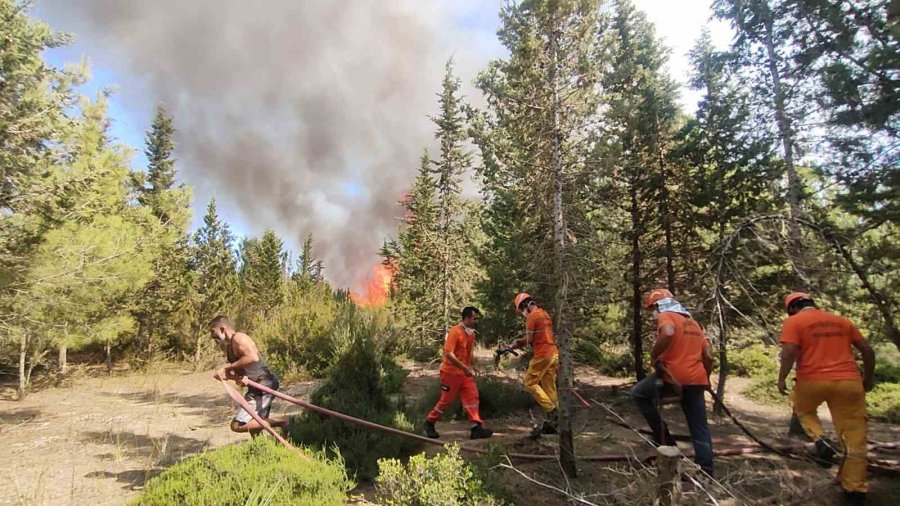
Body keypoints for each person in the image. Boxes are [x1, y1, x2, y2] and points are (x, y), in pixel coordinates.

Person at [778, 292, 875, 505]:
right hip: (849, 382)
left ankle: (821, 440)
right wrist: (868, 379)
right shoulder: (842, 321)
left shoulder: (793, 322)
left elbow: (789, 350)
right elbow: (867, 350)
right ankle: (855, 490)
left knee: (803, 409)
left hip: (811, 381)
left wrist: (782, 378)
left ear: (792, 309)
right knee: (855, 437)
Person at [631, 288, 714, 476]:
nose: (653, 313)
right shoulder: (694, 323)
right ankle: (706, 471)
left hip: (673, 377)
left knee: (639, 393)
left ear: (658, 305)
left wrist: (654, 354)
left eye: (653, 309)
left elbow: (668, 333)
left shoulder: (667, 316)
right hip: (696, 379)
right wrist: (706, 379)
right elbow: (708, 355)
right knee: (699, 426)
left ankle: (666, 441)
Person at [210, 315, 288, 434]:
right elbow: (241, 377)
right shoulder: (229, 348)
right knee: (255, 427)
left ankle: (283, 421)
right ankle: (281, 439)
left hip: (263, 384)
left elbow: (252, 357)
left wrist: (227, 368)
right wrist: (229, 377)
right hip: (255, 386)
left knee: (237, 425)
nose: (212, 336)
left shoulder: (239, 338)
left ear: (222, 329)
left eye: (213, 331)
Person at [424, 307, 494, 440]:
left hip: (464, 374)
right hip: (450, 373)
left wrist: (473, 365)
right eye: (474, 319)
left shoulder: (471, 333)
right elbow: (448, 354)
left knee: (472, 397)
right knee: (446, 400)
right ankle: (429, 422)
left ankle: (476, 427)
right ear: (466, 318)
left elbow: (468, 352)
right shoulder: (455, 332)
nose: (476, 321)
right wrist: (464, 367)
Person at [503, 293, 559, 437]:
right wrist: (515, 344)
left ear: (525, 306)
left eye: (521, 310)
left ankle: (552, 410)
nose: (522, 313)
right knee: (549, 387)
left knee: (529, 383)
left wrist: (516, 343)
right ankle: (554, 423)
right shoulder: (544, 314)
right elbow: (537, 336)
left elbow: (529, 340)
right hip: (553, 353)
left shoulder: (532, 316)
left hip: (542, 355)